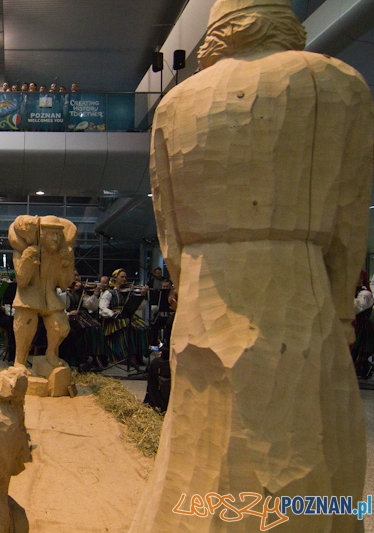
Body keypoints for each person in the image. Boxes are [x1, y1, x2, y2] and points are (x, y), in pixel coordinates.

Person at [132, 0, 373, 528]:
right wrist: (340, 311)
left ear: (215, 34)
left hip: (203, 293)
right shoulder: (339, 84)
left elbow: (168, 232)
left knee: (196, 446)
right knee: (308, 445)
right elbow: (350, 217)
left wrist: (186, 285)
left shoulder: (175, 106)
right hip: (299, 288)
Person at [9, 215, 76, 369]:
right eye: (52, 234)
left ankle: (51, 354)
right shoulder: (22, 250)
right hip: (28, 297)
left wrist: (67, 265)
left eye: (58, 234)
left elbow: (64, 284)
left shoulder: (59, 254)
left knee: (61, 327)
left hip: (50, 297)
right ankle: (20, 361)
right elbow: (22, 281)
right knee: (25, 324)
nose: (56, 239)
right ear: (41, 234)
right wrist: (27, 259)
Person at [99, 268, 148, 367]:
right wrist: (112, 313)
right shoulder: (109, 292)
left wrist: (142, 294)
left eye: (125, 277)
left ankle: (139, 356)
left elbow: (140, 306)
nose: (124, 279)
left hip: (128, 315)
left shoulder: (128, 292)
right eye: (122, 277)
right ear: (115, 279)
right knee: (127, 328)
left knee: (143, 327)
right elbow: (102, 307)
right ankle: (129, 357)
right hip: (115, 319)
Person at [58, 270, 103, 371]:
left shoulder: (81, 291)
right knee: (81, 329)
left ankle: (95, 358)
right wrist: (68, 313)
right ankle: (80, 359)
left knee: (96, 327)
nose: (77, 278)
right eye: (74, 275)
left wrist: (96, 293)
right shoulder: (62, 291)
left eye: (78, 275)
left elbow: (90, 305)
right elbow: (59, 307)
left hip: (81, 315)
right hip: (67, 316)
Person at [143, 288, 176, 411]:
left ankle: (154, 402)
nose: (169, 306)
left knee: (154, 364)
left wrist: (163, 350)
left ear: (174, 301)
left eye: (170, 303)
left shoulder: (173, 319)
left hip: (175, 357)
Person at [352, 270, 374, 378]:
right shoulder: (353, 292)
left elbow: (357, 307)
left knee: (355, 353)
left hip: (361, 329)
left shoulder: (366, 294)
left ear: (361, 279)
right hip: (354, 326)